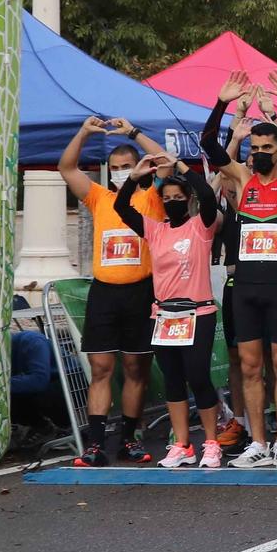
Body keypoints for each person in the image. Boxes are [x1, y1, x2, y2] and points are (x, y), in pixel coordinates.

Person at [204, 69, 277, 471]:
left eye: (268, 146)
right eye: (255, 145)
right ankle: (258, 440)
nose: (261, 151)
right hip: (245, 287)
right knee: (249, 367)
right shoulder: (243, 178)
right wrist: (221, 103)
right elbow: (209, 146)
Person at [59, 116, 166, 467]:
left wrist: (135, 132)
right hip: (105, 292)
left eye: (126, 167)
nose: (120, 172)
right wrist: (85, 132)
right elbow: (67, 167)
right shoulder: (98, 197)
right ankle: (94, 444)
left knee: (136, 367)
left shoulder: (152, 197)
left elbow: (166, 160)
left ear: (139, 168)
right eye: (115, 167)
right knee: (101, 367)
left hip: (141, 291)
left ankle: (129, 440)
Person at [114, 159, 224, 469]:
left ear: (188, 199)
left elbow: (208, 196)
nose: (172, 203)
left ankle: (211, 442)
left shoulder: (201, 226)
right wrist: (134, 179)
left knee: (198, 376)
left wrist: (182, 167)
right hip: (164, 316)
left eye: (178, 198)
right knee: (173, 380)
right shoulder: (155, 229)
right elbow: (123, 208)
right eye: (167, 198)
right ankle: (182, 444)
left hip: (197, 313)